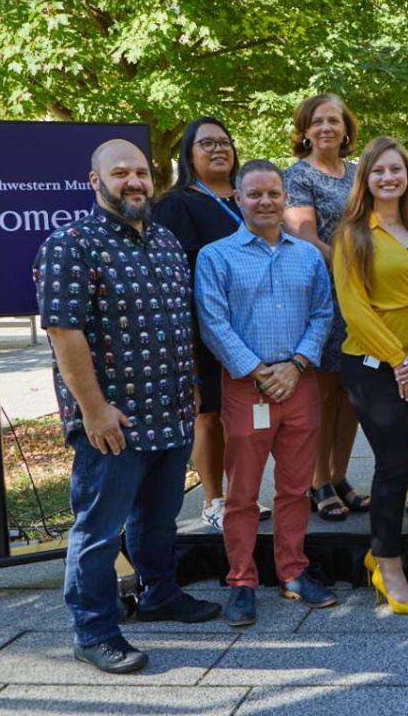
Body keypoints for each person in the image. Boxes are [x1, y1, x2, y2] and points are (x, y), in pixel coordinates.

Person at [33, 139, 220, 674]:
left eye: (140, 172)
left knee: (158, 519)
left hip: (171, 409)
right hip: (113, 419)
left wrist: (190, 383)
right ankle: (93, 630)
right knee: (98, 529)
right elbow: (64, 334)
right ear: (96, 183)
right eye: (120, 174)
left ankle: (160, 594)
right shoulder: (71, 244)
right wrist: (93, 410)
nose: (133, 182)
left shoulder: (162, 240)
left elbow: (178, 319)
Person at [195, 160, 339, 626]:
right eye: (254, 194)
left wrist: (295, 366)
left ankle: (293, 571)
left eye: (274, 193)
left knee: (296, 489)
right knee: (241, 494)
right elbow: (212, 322)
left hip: (300, 382)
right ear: (238, 198)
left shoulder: (307, 255)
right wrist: (259, 371)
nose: (265, 202)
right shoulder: (216, 256)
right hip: (245, 388)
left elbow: (322, 313)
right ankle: (242, 579)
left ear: (284, 198)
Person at [333, 136, 408, 615]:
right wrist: (399, 359)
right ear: (366, 179)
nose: (389, 178)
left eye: (396, 170)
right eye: (379, 172)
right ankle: (387, 564)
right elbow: (355, 310)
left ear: (407, 176)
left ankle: (383, 549)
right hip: (374, 366)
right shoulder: (353, 234)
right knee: (394, 463)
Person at [152, 117, 259, 533]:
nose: (218, 149)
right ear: (189, 154)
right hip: (201, 327)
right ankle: (214, 500)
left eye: (225, 142)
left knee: (245, 415)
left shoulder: (246, 200)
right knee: (209, 414)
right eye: (207, 143)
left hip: (251, 324)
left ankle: (243, 494)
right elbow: (171, 275)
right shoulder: (176, 204)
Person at [282, 93, 365, 521]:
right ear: (305, 130)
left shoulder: (358, 174)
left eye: (334, 120)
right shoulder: (297, 177)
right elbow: (306, 242)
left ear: (347, 128)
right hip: (323, 294)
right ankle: (317, 481)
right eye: (318, 122)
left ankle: (340, 474)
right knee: (324, 392)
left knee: (352, 392)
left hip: (361, 298)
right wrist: (354, 270)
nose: (327, 128)